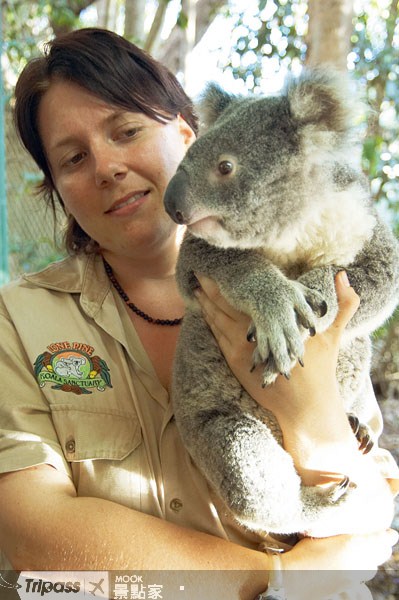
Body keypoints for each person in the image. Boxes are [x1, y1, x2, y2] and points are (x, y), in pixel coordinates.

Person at [0, 27, 397, 600]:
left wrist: (309, 411)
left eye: (127, 130)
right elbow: (32, 541)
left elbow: (369, 507)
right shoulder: (18, 322)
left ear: (190, 137)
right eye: (73, 158)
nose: (107, 166)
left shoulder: (312, 266)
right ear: (58, 189)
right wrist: (282, 579)